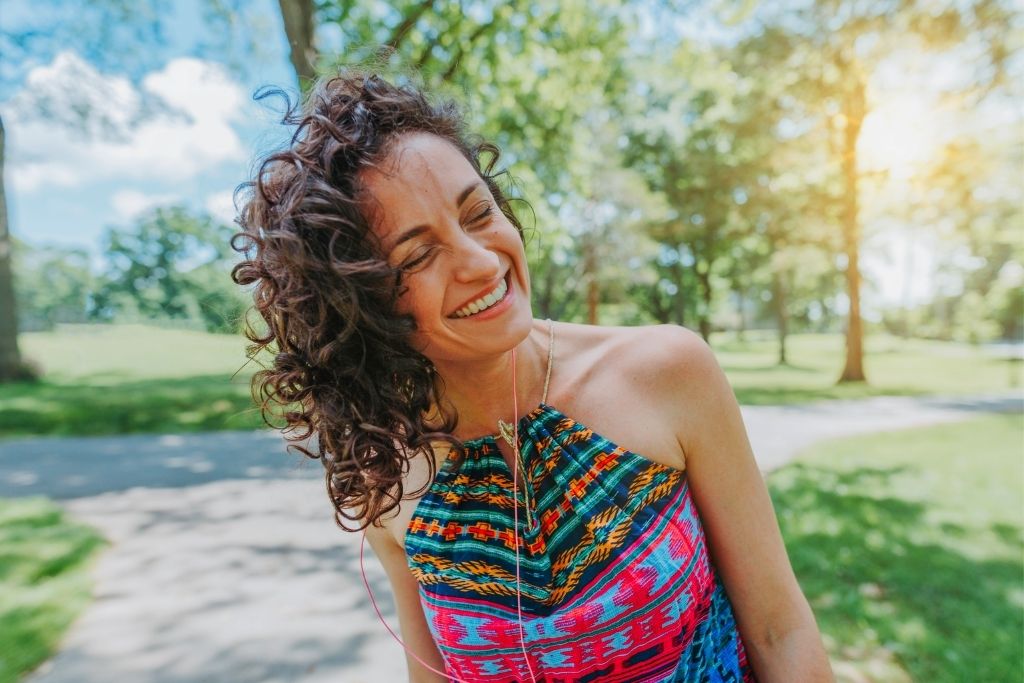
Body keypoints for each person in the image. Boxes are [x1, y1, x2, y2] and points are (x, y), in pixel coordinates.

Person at [232, 71, 834, 683]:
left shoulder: (669, 371)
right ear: (357, 304)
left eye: (477, 212)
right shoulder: (383, 473)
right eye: (417, 254)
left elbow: (778, 630)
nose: (480, 260)